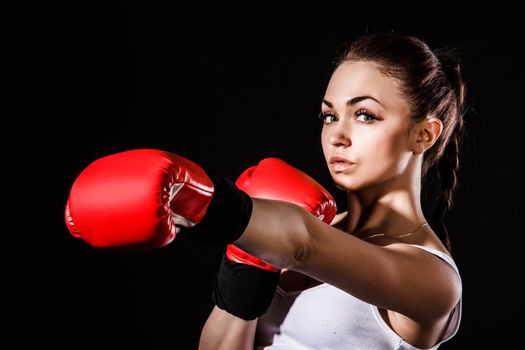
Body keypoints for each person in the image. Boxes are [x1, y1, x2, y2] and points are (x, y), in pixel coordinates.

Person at [64, 32, 466, 350]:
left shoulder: (433, 280)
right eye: (329, 115)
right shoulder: (288, 225)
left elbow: (303, 245)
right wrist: (244, 264)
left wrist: (208, 203)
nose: (337, 136)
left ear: (424, 134)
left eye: (365, 115)